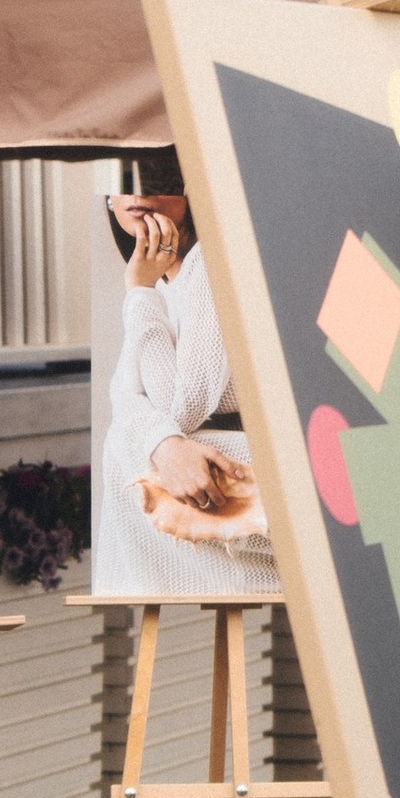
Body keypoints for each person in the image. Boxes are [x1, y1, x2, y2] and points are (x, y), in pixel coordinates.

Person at [101, 161, 279, 601]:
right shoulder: (161, 286)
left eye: (157, 182)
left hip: (264, 466)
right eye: (123, 186)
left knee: (128, 448)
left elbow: (181, 406)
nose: (139, 194)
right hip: (228, 465)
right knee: (127, 438)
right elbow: (124, 396)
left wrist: (138, 292)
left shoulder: (211, 260)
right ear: (109, 200)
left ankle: (133, 590)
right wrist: (164, 443)